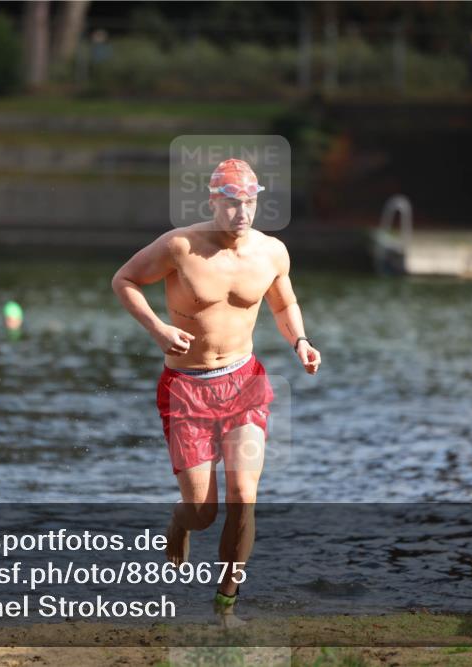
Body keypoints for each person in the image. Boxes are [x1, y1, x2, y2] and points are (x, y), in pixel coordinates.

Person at [111, 158, 320, 621]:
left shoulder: (271, 253)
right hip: (187, 389)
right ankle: (179, 521)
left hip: (245, 383)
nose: (241, 212)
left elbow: (283, 302)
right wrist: (158, 329)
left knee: (244, 495)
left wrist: (301, 342)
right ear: (213, 202)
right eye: (231, 203)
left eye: (249, 203)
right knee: (202, 512)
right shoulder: (180, 246)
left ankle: (226, 602)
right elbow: (123, 280)